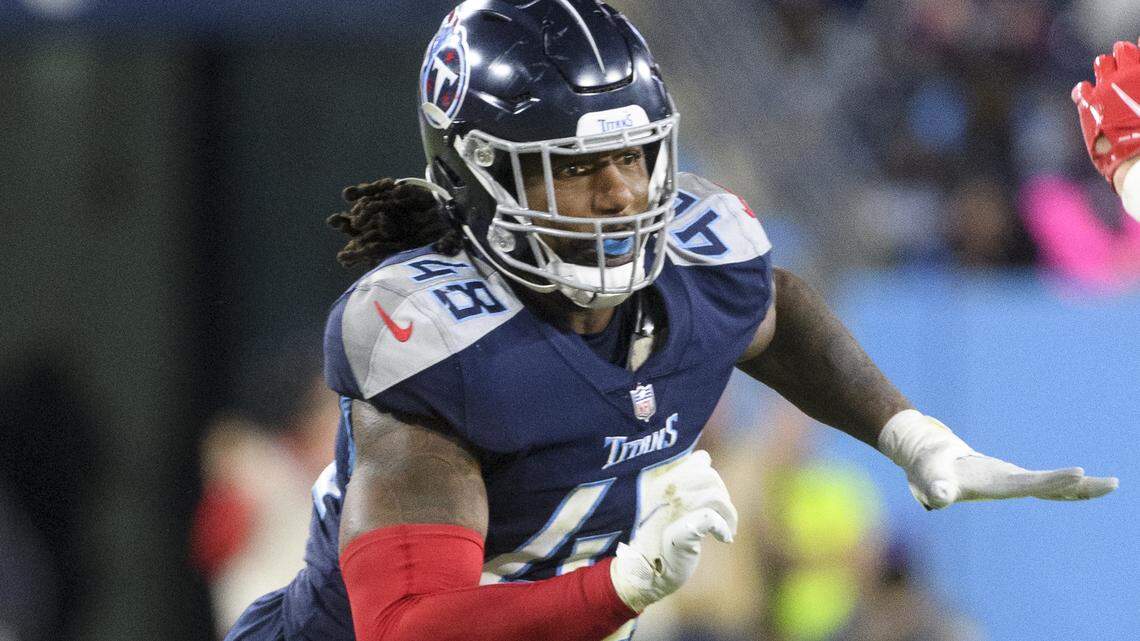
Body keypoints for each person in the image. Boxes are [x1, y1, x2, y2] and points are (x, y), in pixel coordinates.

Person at [224, 3, 1120, 640]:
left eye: (636, 156)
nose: (622, 194)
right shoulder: (441, 346)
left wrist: (912, 435)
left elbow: (775, 306)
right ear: (478, 176)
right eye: (577, 168)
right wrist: (620, 585)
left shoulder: (700, 264)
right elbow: (409, 630)